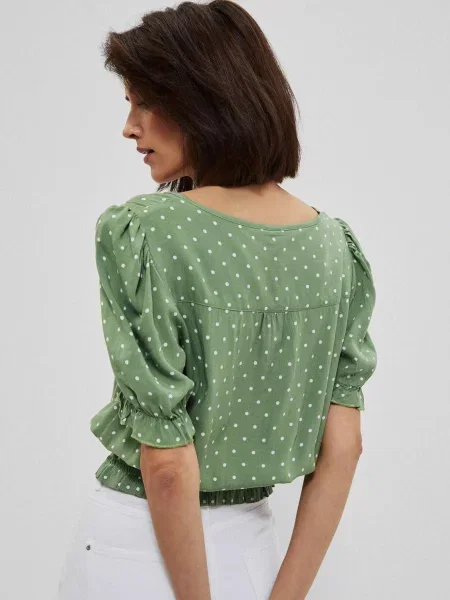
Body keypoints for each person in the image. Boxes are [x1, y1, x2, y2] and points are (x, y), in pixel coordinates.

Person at [57, 1, 377, 599]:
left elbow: (167, 465)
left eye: (142, 103)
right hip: (252, 550)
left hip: (140, 547)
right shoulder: (334, 246)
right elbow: (345, 447)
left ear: (200, 101)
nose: (129, 127)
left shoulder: (146, 232)